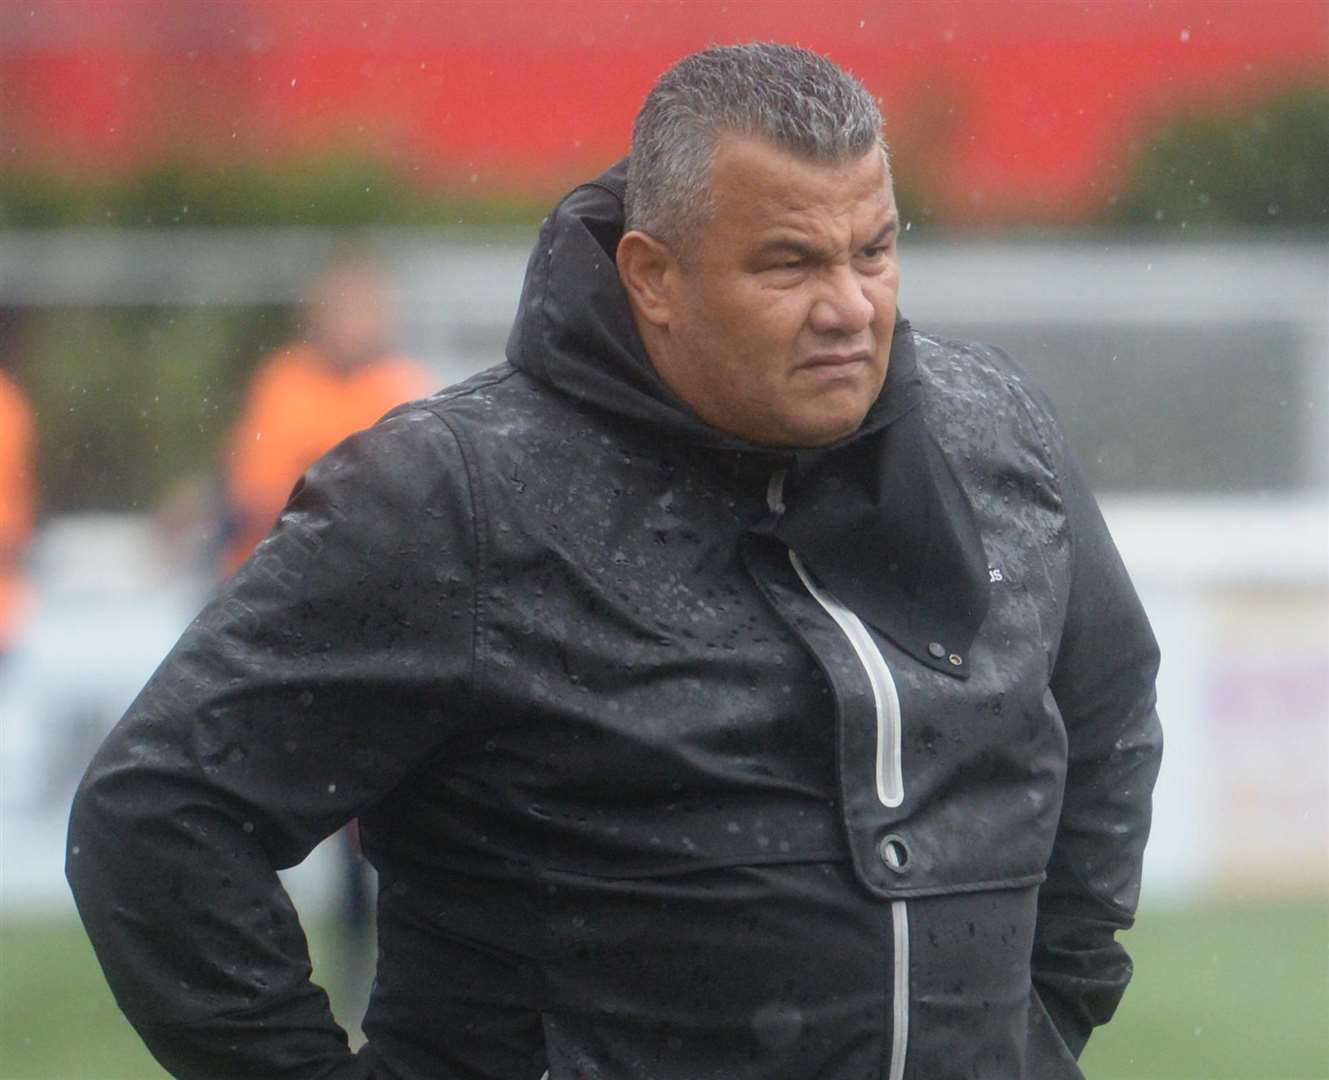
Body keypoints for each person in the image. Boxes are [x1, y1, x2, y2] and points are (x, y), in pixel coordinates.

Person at [67, 44, 1163, 1080]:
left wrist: (1042, 1015)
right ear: (652, 276)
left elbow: (1108, 712)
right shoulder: (455, 494)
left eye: (873, 250)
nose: (851, 307)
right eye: (789, 263)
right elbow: (158, 817)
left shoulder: (994, 432)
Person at [220, 252, 430, 574]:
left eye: (364, 309)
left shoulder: (402, 387)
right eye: (343, 308)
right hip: (273, 570)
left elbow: (412, 500)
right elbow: (258, 493)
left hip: (364, 574)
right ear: (316, 314)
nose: (352, 322)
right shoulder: (284, 382)